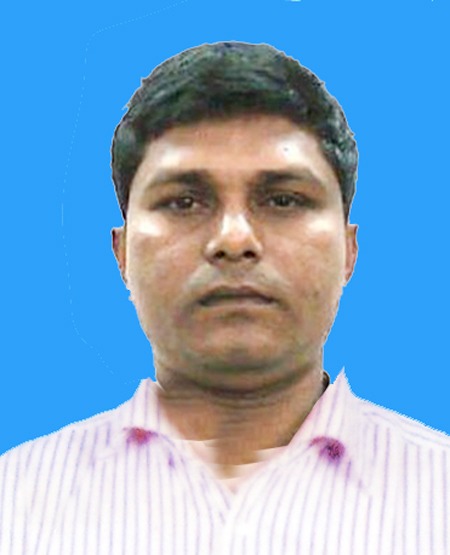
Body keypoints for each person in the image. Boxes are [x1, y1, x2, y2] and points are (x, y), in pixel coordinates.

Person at [1, 41, 449, 555]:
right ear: (122, 254)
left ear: (349, 251)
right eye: (184, 201)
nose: (234, 239)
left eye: (283, 200)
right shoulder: (14, 503)